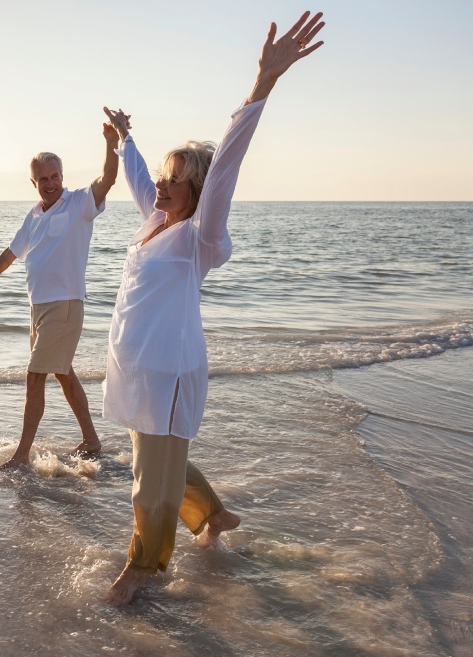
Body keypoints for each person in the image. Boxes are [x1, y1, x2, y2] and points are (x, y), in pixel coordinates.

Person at [101, 12, 326, 605]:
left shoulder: (199, 236)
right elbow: (136, 178)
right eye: (164, 177)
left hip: (170, 371)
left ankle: (143, 569)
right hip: (139, 370)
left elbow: (226, 165)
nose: (162, 186)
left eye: (176, 180)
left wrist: (262, 84)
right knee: (154, 463)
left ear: (198, 189)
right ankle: (214, 517)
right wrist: (126, 137)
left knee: (149, 483)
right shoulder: (154, 224)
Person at [0, 122, 121, 470]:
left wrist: (111, 143)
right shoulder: (34, 215)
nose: (51, 183)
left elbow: (107, 179)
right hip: (38, 308)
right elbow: (11, 253)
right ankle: (92, 440)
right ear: (34, 182)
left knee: (35, 374)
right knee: (63, 373)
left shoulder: (79, 204)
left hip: (65, 304)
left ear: (62, 176)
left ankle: (21, 455)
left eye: (56, 176)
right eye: (44, 179)